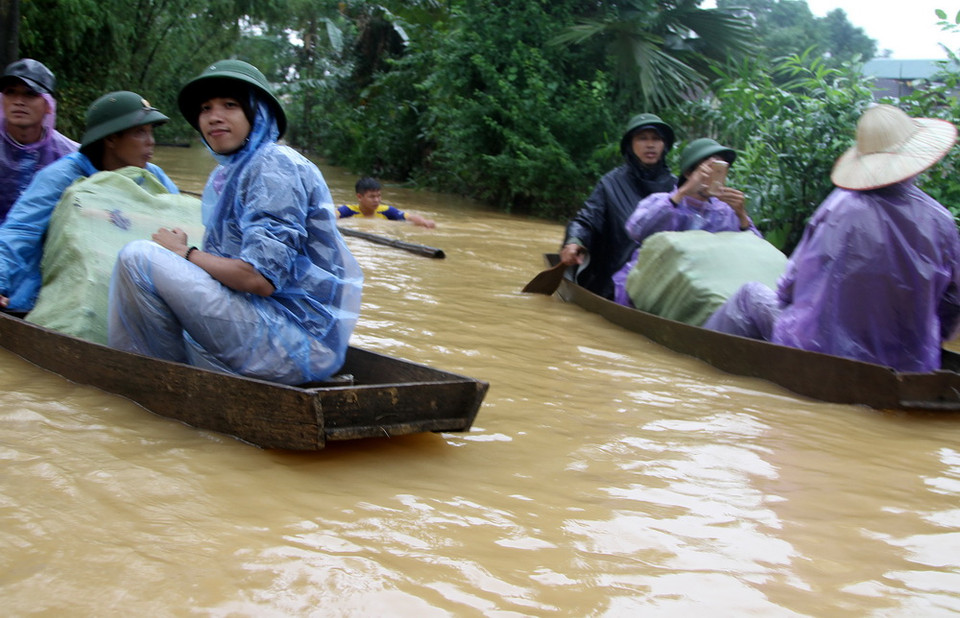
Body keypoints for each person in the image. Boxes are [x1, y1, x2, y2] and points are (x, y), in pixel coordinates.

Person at [108, 59, 363, 385]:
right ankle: (161, 377)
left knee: (138, 257)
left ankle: (149, 384)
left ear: (257, 114)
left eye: (230, 105)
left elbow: (258, 278)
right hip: (262, 327)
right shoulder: (227, 175)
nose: (214, 117)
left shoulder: (275, 164)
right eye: (205, 108)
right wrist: (186, 256)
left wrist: (187, 254)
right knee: (151, 278)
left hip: (294, 345)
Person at [704, 104, 960, 373]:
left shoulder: (838, 207)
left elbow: (789, 288)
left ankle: (700, 371)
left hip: (820, 355)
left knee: (750, 295)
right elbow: (953, 306)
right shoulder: (941, 221)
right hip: (909, 367)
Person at [0, 90, 177, 313]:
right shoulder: (63, 176)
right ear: (111, 138)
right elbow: (20, 230)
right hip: (54, 286)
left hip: (123, 283)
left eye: (151, 132)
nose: (151, 142)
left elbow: (179, 218)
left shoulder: (153, 176)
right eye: (140, 132)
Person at [619, 138, 760, 303]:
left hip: (701, 295)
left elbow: (756, 253)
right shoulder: (662, 200)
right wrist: (682, 192)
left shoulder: (725, 212)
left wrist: (742, 215)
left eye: (720, 171)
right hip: (650, 289)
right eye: (709, 169)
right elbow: (637, 230)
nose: (715, 176)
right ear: (688, 173)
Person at [560, 113, 676, 300]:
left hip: (661, 287)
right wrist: (574, 240)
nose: (650, 145)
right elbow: (587, 219)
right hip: (613, 284)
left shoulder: (678, 189)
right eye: (642, 138)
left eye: (656, 139)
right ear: (630, 145)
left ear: (664, 146)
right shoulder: (610, 183)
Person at [0, 58, 78, 222]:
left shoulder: (70, 155)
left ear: (48, 105)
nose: (18, 101)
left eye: (30, 94)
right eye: (10, 92)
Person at [337, 176, 436, 228]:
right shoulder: (348, 210)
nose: (377, 200)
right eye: (372, 197)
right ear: (359, 197)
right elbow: (333, 215)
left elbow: (409, 217)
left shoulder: (387, 211)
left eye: (379, 196)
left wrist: (424, 222)